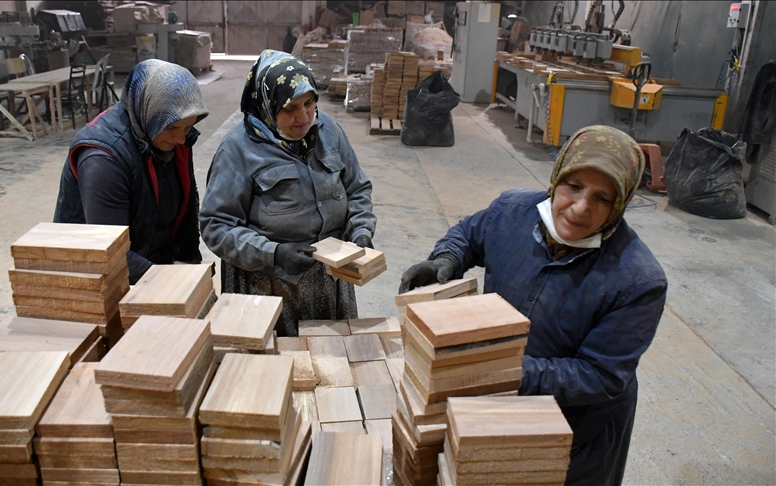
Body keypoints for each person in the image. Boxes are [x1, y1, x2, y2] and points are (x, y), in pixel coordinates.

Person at [399, 126, 667, 485]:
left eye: (602, 198)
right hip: (497, 399)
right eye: (573, 187)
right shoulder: (512, 211)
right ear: (556, 179)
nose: (581, 207)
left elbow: (599, 376)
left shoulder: (637, 280)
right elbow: (468, 235)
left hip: (574, 432)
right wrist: (445, 260)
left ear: (620, 205)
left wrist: (500, 369)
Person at [200, 50, 375, 337]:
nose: (303, 117)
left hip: (329, 280)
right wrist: (275, 253)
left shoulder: (328, 131)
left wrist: (361, 231)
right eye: (290, 108)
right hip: (270, 285)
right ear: (269, 107)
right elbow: (216, 227)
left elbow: (357, 188)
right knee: (277, 370)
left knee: (333, 367)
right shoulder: (237, 151)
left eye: (309, 103)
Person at [54, 60, 208, 284]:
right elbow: (110, 254)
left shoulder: (172, 140)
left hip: (145, 265)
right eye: (173, 128)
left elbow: (186, 209)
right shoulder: (104, 160)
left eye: (187, 127)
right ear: (148, 110)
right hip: (100, 278)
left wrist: (189, 263)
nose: (181, 138)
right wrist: (171, 283)